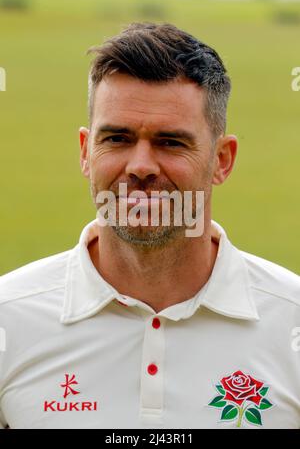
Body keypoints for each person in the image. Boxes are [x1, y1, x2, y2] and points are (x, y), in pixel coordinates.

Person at [0, 22, 299, 430]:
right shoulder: (10, 319)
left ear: (222, 160)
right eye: (118, 138)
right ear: (86, 152)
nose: (141, 166)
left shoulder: (291, 323)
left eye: (171, 142)